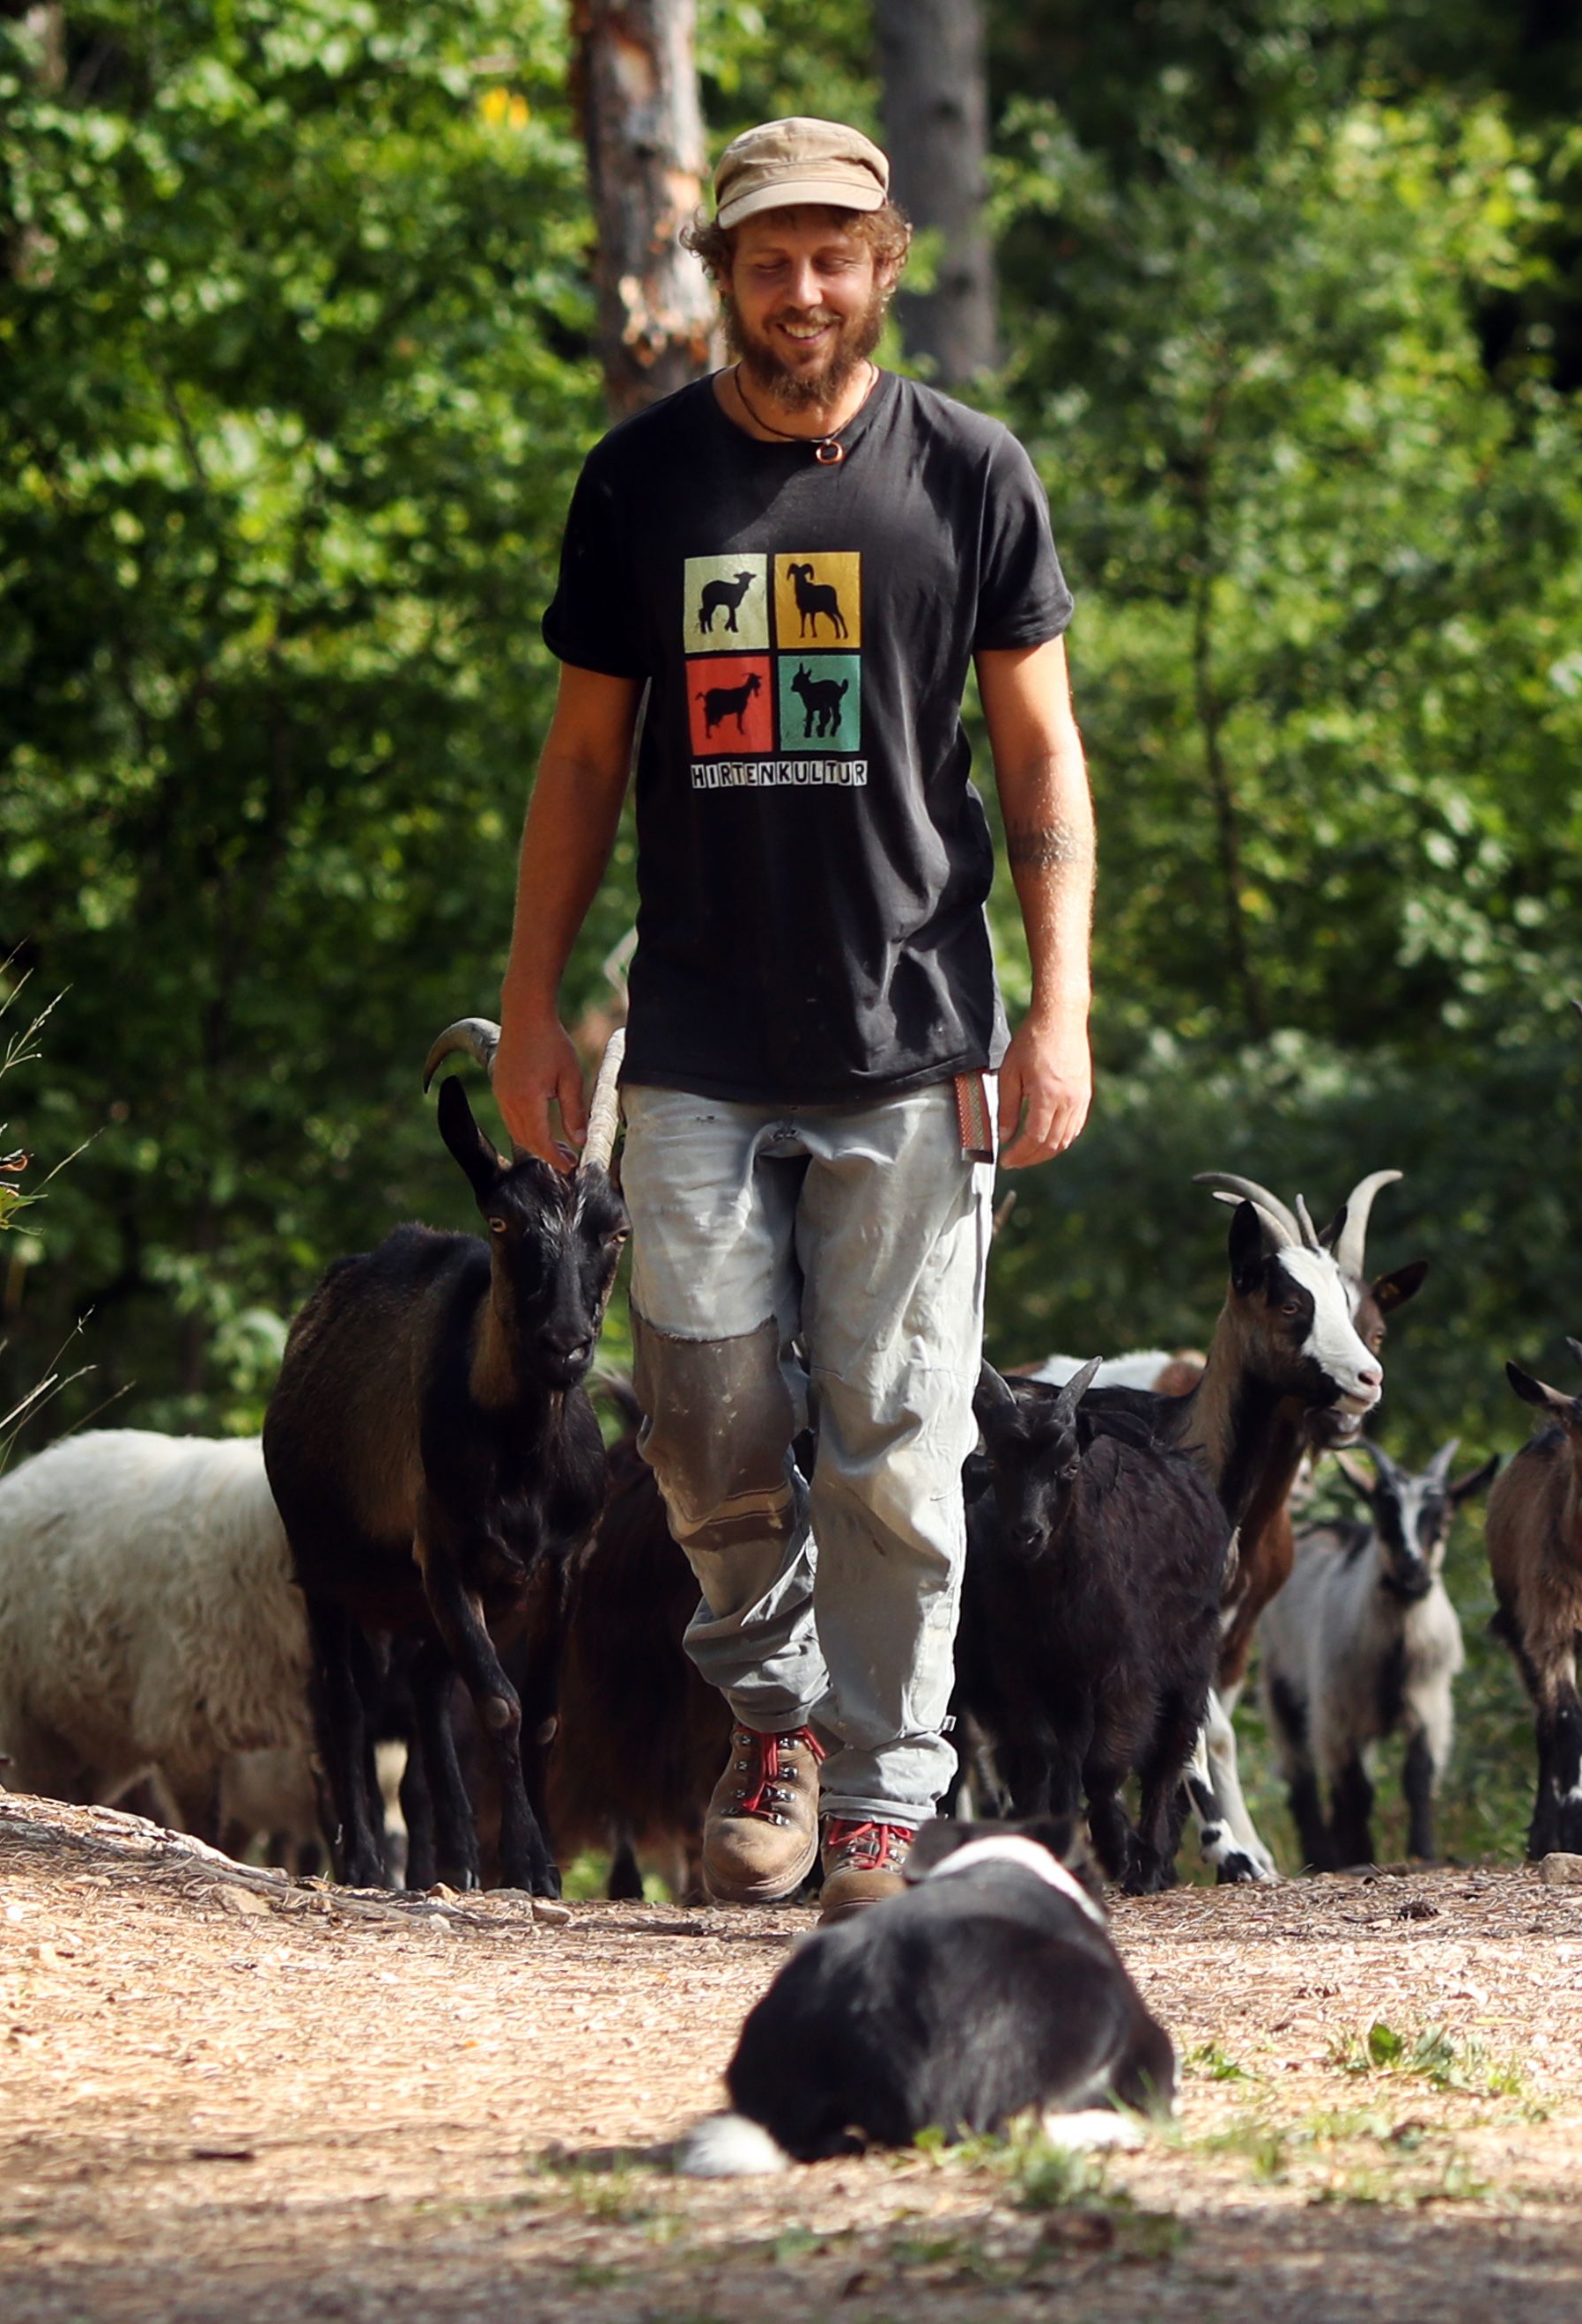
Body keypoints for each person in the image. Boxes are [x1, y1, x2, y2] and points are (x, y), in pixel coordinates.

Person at [499, 114, 1097, 1918]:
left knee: (903, 1440)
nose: (803, 287)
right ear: (725, 277)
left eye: (835, 253)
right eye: (769, 257)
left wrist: (1058, 1004)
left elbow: (1042, 749)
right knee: (700, 1415)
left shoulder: (971, 476)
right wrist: (534, 1006)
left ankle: (880, 1798)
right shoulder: (640, 484)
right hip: (688, 1035)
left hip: (916, 1035)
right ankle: (771, 1716)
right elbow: (585, 755)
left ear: (883, 263)